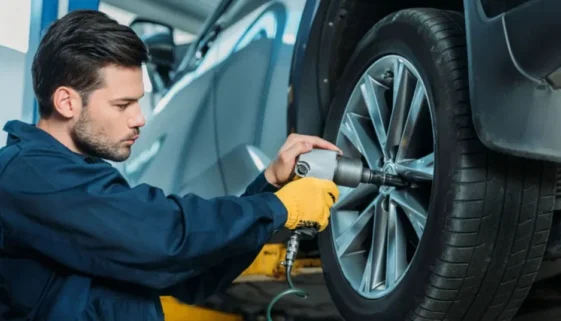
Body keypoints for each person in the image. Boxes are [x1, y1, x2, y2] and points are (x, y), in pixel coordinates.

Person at [0, 10, 341, 321]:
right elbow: (160, 236)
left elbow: (192, 274)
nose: (140, 118)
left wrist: (267, 185)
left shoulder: (77, 184)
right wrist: (276, 208)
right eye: (123, 104)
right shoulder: (29, 175)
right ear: (66, 102)